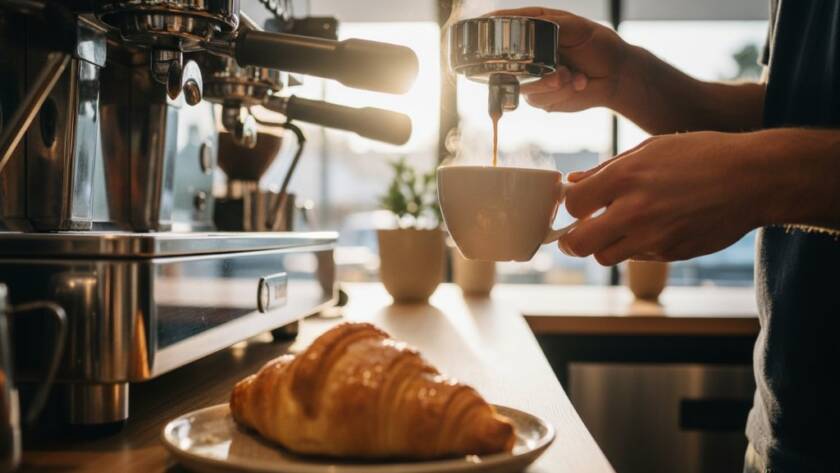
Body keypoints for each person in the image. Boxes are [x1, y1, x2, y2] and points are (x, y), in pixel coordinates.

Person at [490, 3, 840, 472]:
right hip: (779, 433)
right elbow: (792, 110)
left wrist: (760, 173)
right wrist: (626, 76)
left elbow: (776, 147)